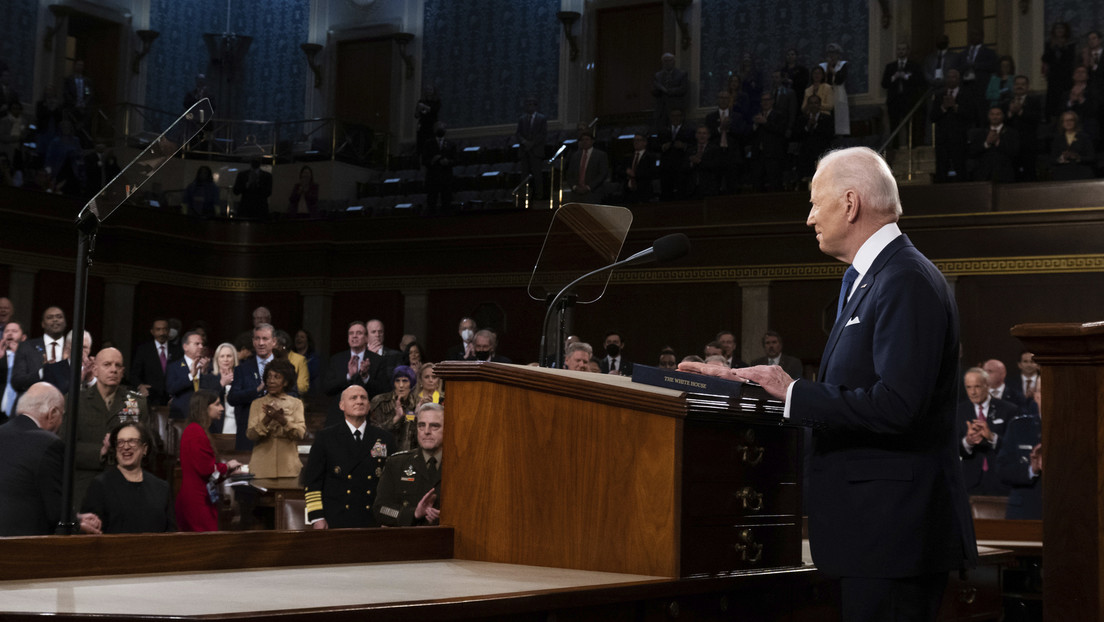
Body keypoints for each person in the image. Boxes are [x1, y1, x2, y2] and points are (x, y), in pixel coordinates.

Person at [683, 147, 976, 621]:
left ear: (850, 203)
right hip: (871, 535)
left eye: (816, 203)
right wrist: (744, 383)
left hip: (893, 538)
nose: (809, 218)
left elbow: (899, 405)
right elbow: (850, 398)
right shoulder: (867, 278)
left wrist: (794, 391)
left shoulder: (905, 278)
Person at [0, 382, 102, 536]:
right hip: (25, 545)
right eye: (62, 414)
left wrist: (76, 517)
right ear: (53, 413)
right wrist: (77, 525)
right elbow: (56, 512)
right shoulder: (49, 444)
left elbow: (21, 494)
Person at [303, 385, 396, 529]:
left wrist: (389, 517)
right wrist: (317, 517)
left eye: (363, 398)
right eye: (353, 398)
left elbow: (392, 484)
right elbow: (312, 481)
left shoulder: (384, 438)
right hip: (336, 519)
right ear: (342, 405)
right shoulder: (326, 438)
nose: (359, 401)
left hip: (373, 520)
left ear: (369, 405)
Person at [74, 347, 153, 509]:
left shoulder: (137, 402)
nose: (113, 370)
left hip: (126, 480)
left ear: (123, 371)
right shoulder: (76, 401)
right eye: (107, 365)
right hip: (87, 482)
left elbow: (148, 444)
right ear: (95, 370)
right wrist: (100, 451)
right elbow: (65, 447)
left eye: (118, 366)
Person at [81, 422, 174, 533]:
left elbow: (171, 532)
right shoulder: (100, 485)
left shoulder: (161, 488)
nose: (125, 447)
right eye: (120, 442)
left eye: (132, 441)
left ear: (144, 449)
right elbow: (90, 532)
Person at [177, 389, 242, 531]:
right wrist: (227, 466)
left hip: (200, 497)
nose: (222, 408)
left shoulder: (197, 430)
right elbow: (206, 470)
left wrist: (228, 473)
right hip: (197, 501)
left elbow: (208, 473)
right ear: (205, 407)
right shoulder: (195, 432)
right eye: (217, 404)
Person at [373, 402, 444, 527]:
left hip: (450, 541)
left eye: (434, 426)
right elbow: (380, 509)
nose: (426, 431)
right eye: (421, 425)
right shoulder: (396, 463)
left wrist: (447, 516)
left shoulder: (460, 467)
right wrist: (413, 513)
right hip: (407, 541)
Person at [958, 367, 1017, 495]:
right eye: (969, 387)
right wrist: (968, 442)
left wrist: (992, 437)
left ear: (988, 385)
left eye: (977, 387)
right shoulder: (959, 411)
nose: (973, 392)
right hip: (970, 482)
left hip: (1000, 480)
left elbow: (1014, 446)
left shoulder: (1009, 410)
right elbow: (952, 446)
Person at [323, 320, 391, 428]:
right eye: (351, 333)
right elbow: (327, 388)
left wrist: (365, 377)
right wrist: (348, 376)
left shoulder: (377, 360)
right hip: (339, 418)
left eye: (359, 333)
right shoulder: (337, 359)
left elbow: (384, 390)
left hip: (368, 418)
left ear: (366, 338)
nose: (354, 336)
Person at [246, 359, 305, 479]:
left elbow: (300, 434)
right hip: (261, 469)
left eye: (276, 377)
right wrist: (266, 420)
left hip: (288, 469)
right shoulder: (257, 404)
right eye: (268, 377)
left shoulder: (296, 403)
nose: (271, 381)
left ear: (286, 382)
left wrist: (281, 419)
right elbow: (251, 435)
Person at [227, 323, 279, 450]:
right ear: (253, 341)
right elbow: (232, 398)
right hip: (248, 435)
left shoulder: (284, 367)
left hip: (276, 433)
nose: (261, 343)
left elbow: (293, 395)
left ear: (274, 342)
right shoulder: (242, 369)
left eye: (265, 339)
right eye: (257, 338)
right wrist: (257, 390)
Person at [998, 382, 1043, 520]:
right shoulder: (1018, 427)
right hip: (1024, 513)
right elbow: (1002, 470)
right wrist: (1031, 469)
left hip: (1063, 511)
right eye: (1042, 391)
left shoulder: (1075, 431)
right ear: (1035, 396)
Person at [930, 69, 979, 182]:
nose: (951, 79)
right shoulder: (939, 95)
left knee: (960, 166)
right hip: (942, 138)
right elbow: (932, 117)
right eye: (949, 77)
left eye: (954, 77)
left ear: (959, 79)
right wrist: (943, 107)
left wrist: (956, 107)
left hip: (960, 138)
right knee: (941, 167)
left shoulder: (967, 94)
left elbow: (972, 115)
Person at [10, 306, 67, 398]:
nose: (55, 320)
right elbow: (17, 381)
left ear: (65, 322)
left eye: (59, 317)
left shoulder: (73, 348)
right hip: (35, 404)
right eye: (50, 317)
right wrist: (42, 372)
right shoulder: (26, 347)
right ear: (42, 324)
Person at [165, 330, 220, 420]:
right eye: (197, 344)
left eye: (202, 344)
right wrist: (191, 376)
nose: (201, 347)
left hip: (206, 415)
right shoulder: (174, 366)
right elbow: (171, 389)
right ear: (185, 347)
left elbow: (214, 390)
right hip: (182, 414)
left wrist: (204, 373)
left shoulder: (209, 366)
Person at [881, 42, 927, 148]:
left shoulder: (914, 66)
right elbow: (884, 83)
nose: (901, 51)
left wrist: (906, 77)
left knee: (910, 125)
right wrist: (894, 78)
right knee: (894, 125)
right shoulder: (890, 67)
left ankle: (912, 145)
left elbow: (921, 81)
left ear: (907, 51)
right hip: (894, 101)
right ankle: (895, 147)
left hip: (909, 101)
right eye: (899, 49)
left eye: (903, 49)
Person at [129, 317, 181, 407]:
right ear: (152, 331)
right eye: (158, 329)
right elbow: (134, 374)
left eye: (165, 329)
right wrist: (140, 386)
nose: (162, 333)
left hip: (172, 400)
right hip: (150, 399)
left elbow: (181, 373)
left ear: (168, 331)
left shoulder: (177, 351)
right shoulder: (143, 350)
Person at [370, 365, 419, 452]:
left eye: (405, 381)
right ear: (393, 383)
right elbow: (373, 433)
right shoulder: (380, 401)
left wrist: (418, 417)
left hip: (408, 455)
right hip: (383, 453)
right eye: (397, 381)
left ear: (411, 383)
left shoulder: (416, 403)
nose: (401, 385)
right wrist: (395, 419)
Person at [968, 106, 1020, 183]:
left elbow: (1015, 152)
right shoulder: (980, 132)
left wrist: (998, 142)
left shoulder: (1011, 133)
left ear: (1003, 116)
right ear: (988, 116)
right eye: (992, 114)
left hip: (1005, 175)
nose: (995, 117)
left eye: (998, 114)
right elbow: (972, 151)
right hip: (983, 176)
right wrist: (986, 143)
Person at [1042, 22, 1077, 121]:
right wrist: (1053, 48)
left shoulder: (1070, 43)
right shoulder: (1049, 43)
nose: (1059, 30)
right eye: (1057, 28)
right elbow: (1045, 58)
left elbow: (1070, 59)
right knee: (1052, 100)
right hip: (1053, 77)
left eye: (1062, 28)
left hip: (1066, 77)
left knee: (1064, 99)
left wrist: (1062, 48)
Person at [515, 97, 547, 201]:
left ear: (536, 106)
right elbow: (518, 133)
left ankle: (539, 195)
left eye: (532, 104)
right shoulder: (522, 119)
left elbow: (542, 134)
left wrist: (532, 144)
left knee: (537, 175)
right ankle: (524, 196)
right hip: (524, 151)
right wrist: (525, 142)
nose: (530, 106)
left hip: (536, 151)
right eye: (528, 104)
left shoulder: (542, 118)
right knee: (524, 175)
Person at [564, 129, 609, 204]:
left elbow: (603, 174)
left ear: (592, 141)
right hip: (576, 194)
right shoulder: (575, 156)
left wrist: (588, 187)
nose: (585, 142)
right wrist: (574, 187)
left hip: (593, 193)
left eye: (587, 139)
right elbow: (569, 174)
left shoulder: (600, 155)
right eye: (583, 140)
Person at [422, 122, 456, 216]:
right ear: (434, 130)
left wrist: (448, 162)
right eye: (438, 127)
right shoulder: (428, 143)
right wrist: (433, 161)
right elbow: (424, 161)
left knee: (446, 204)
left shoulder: (451, 144)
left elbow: (456, 160)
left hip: (446, 177)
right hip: (433, 178)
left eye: (443, 127)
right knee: (432, 203)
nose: (441, 129)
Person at [1050, 111, 1095, 180]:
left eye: (1071, 120)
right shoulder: (1057, 139)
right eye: (1065, 121)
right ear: (1062, 123)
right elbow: (1052, 159)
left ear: (1075, 122)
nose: (1068, 123)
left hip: (1082, 175)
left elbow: (1092, 157)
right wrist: (1061, 158)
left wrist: (1077, 157)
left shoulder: (1084, 137)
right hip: (1062, 175)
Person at [209, 341, 238, 435]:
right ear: (217, 359)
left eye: (229, 356)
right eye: (222, 356)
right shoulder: (209, 378)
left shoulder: (241, 378)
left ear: (234, 358)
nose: (226, 359)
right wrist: (222, 384)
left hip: (238, 424)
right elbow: (206, 401)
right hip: (217, 425)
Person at [821, 44, 850, 136]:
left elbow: (839, 79)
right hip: (825, 93)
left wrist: (832, 70)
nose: (831, 56)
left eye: (834, 53)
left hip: (838, 93)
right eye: (829, 53)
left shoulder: (842, 65)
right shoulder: (823, 66)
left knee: (838, 117)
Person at [652, 52, 688, 126]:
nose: (667, 63)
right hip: (662, 108)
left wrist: (667, 91)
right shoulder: (658, 75)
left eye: (669, 60)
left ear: (674, 61)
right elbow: (655, 91)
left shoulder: (681, 74)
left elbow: (683, 89)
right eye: (665, 61)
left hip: (676, 107)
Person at [1, 319, 26, 422]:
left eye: (14, 331)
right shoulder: (1, 356)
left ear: (23, 337)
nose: (10, 334)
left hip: (19, 410)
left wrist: (18, 355)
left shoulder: (28, 357)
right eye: (7, 331)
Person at [293, 329, 321, 393]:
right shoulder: (289, 356)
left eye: (302, 337)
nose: (298, 339)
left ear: (307, 341)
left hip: (308, 392)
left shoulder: (313, 358)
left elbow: (312, 374)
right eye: (297, 336)